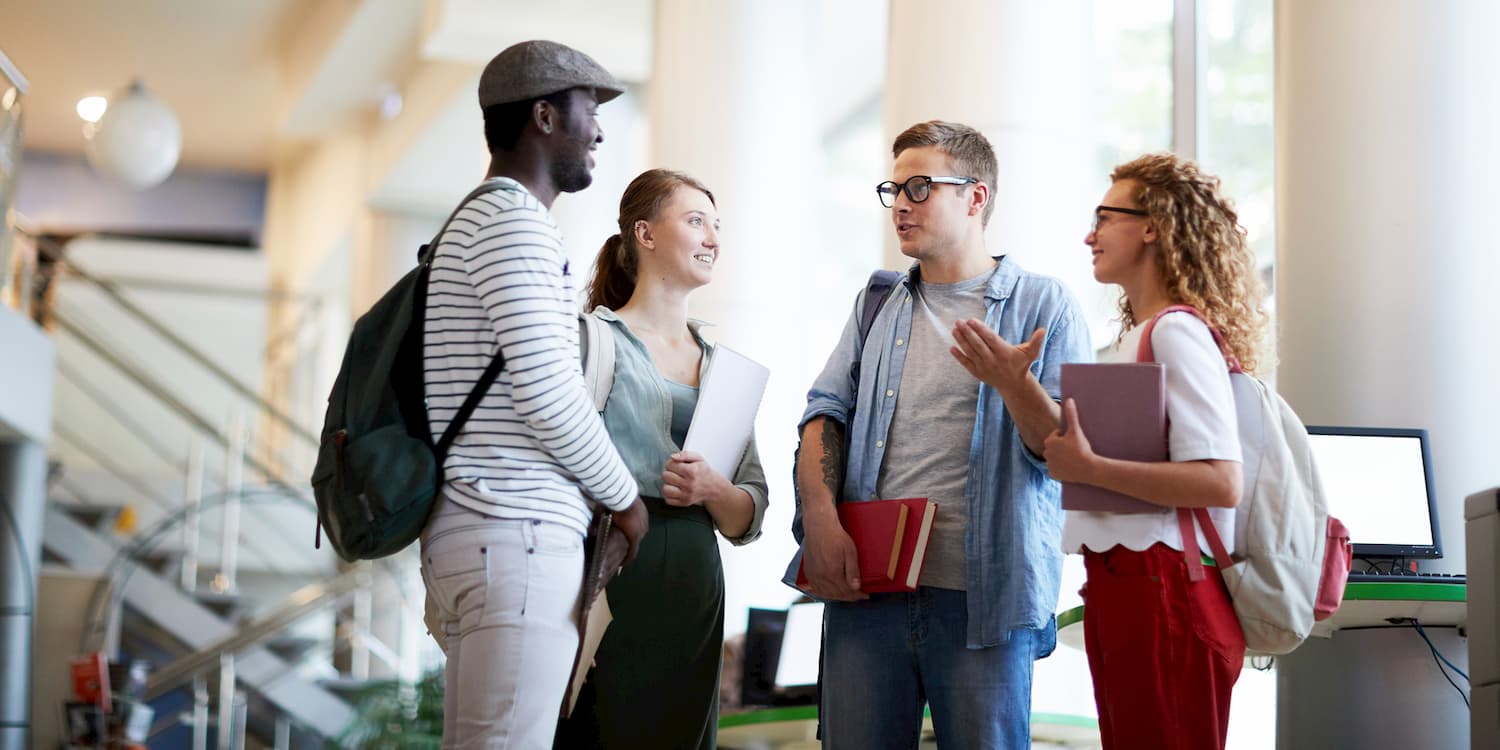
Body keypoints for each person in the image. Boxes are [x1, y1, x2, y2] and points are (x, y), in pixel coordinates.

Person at [784, 120, 1092, 749]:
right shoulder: (877, 301)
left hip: (986, 601)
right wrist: (819, 519)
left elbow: (1066, 456)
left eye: (920, 187)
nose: (900, 204)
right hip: (868, 589)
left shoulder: (1045, 305)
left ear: (976, 197)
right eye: (893, 190)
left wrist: (1014, 383)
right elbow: (824, 410)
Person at [417, 40, 650, 750]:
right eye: (589, 111)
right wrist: (626, 500)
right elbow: (550, 396)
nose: (600, 132)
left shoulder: (475, 223)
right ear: (544, 117)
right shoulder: (512, 222)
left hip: (480, 530)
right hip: (514, 535)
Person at [1043, 152, 1270, 749]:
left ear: (1153, 225)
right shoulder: (1139, 338)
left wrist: (1090, 468)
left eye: (1105, 217)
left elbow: (1221, 481)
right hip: (1132, 586)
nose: (1089, 235)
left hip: (1163, 589)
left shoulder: (1175, 332)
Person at [553, 168, 768, 750]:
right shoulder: (589, 342)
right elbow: (555, 479)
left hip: (696, 591)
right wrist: (564, 613)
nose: (713, 239)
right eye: (695, 221)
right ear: (645, 235)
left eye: (716, 226)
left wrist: (713, 491)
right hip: (612, 577)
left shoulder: (726, 368)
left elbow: (751, 513)